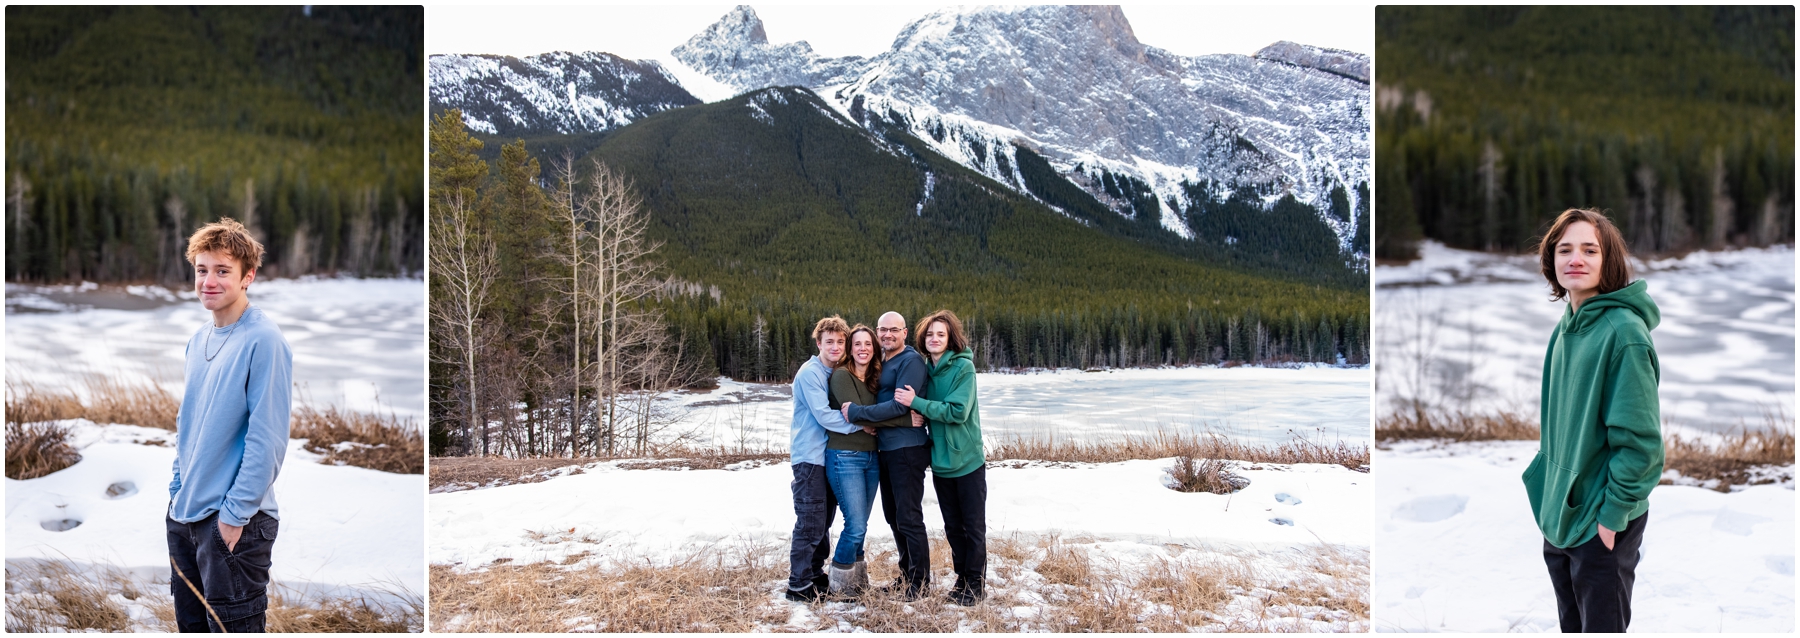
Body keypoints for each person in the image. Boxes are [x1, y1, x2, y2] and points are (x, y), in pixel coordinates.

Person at [1520, 208, 1662, 633]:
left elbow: (1641, 445)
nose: (1574, 258)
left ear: (1609, 261)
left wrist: (1612, 517)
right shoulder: (1568, 327)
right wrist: (1548, 490)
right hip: (1563, 513)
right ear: (1551, 261)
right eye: (1564, 249)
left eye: (1589, 249)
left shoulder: (1623, 333)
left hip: (1602, 521)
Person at [166, 217, 293, 633]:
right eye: (202, 270)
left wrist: (233, 518)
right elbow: (190, 423)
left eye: (223, 271)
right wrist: (176, 492)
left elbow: (268, 438)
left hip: (235, 522)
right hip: (187, 518)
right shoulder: (199, 338)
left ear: (248, 276)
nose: (209, 281)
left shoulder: (264, 339)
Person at [896, 309, 988, 605]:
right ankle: (962, 580)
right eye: (930, 334)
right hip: (941, 463)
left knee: (972, 526)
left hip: (967, 461)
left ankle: (976, 585)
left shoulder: (963, 368)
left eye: (941, 334)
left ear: (950, 339)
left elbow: (957, 411)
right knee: (952, 527)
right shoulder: (925, 368)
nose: (934, 339)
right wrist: (912, 412)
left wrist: (917, 403)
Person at [842, 311, 932, 599]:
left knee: (908, 516)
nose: (887, 335)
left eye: (894, 329)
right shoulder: (883, 360)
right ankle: (906, 576)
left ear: (905, 332)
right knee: (893, 516)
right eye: (883, 329)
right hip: (887, 450)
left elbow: (899, 406)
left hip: (908, 449)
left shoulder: (911, 361)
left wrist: (857, 414)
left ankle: (920, 583)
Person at [785, 315, 863, 602]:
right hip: (809, 458)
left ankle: (816, 574)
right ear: (819, 343)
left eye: (840, 342)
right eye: (829, 341)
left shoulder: (835, 372)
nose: (835, 346)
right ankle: (799, 585)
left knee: (824, 520)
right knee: (810, 521)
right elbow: (825, 416)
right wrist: (861, 424)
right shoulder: (810, 373)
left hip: (826, 457)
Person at [822, 324, 903, 596]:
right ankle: (840, 586)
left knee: (861, 525)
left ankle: (856, 583)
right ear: (849, 349)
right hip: (845, 455)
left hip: (871, 457)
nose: (863, 349)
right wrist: (881, 417)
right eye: (857, 344)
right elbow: (855, 415)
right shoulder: (842, 376)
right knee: (855, 525)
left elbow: (869, 413)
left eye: (868, 344)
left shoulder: (874, 378)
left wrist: (873, 417)